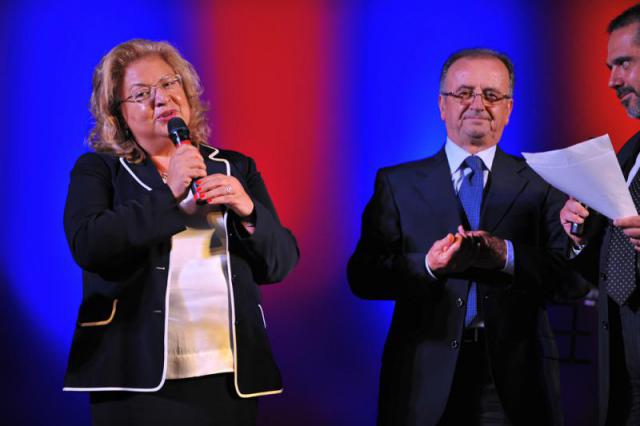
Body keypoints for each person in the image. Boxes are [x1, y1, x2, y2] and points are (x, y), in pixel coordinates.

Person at [62, 39, 299, 426]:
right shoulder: (100, 169)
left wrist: (248, 210)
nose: (162, 99)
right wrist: (168, 193)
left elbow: (281, 263)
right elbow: (90, 244)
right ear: (118, 114)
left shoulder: (234, 166)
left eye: (170, 84)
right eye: (141, 93)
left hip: (229, 374)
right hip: (134, 376)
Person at [348, 48, 587, 426]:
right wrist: (428, 265)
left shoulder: (544, 182)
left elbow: (571, 280)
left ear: (509, 108)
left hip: (516, 381)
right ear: (442, 105)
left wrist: (505, 254)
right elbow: (363, 276)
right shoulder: (397, 183)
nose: (477, 104)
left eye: (492, 95)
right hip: (421, 378)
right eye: (464, 93)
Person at [560, 4, 640, 425]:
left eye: (624, 63)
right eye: (610, 66)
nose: (612, 80)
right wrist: (581, 238)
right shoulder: (628, 155)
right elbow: (619, 274)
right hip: (625, 388)